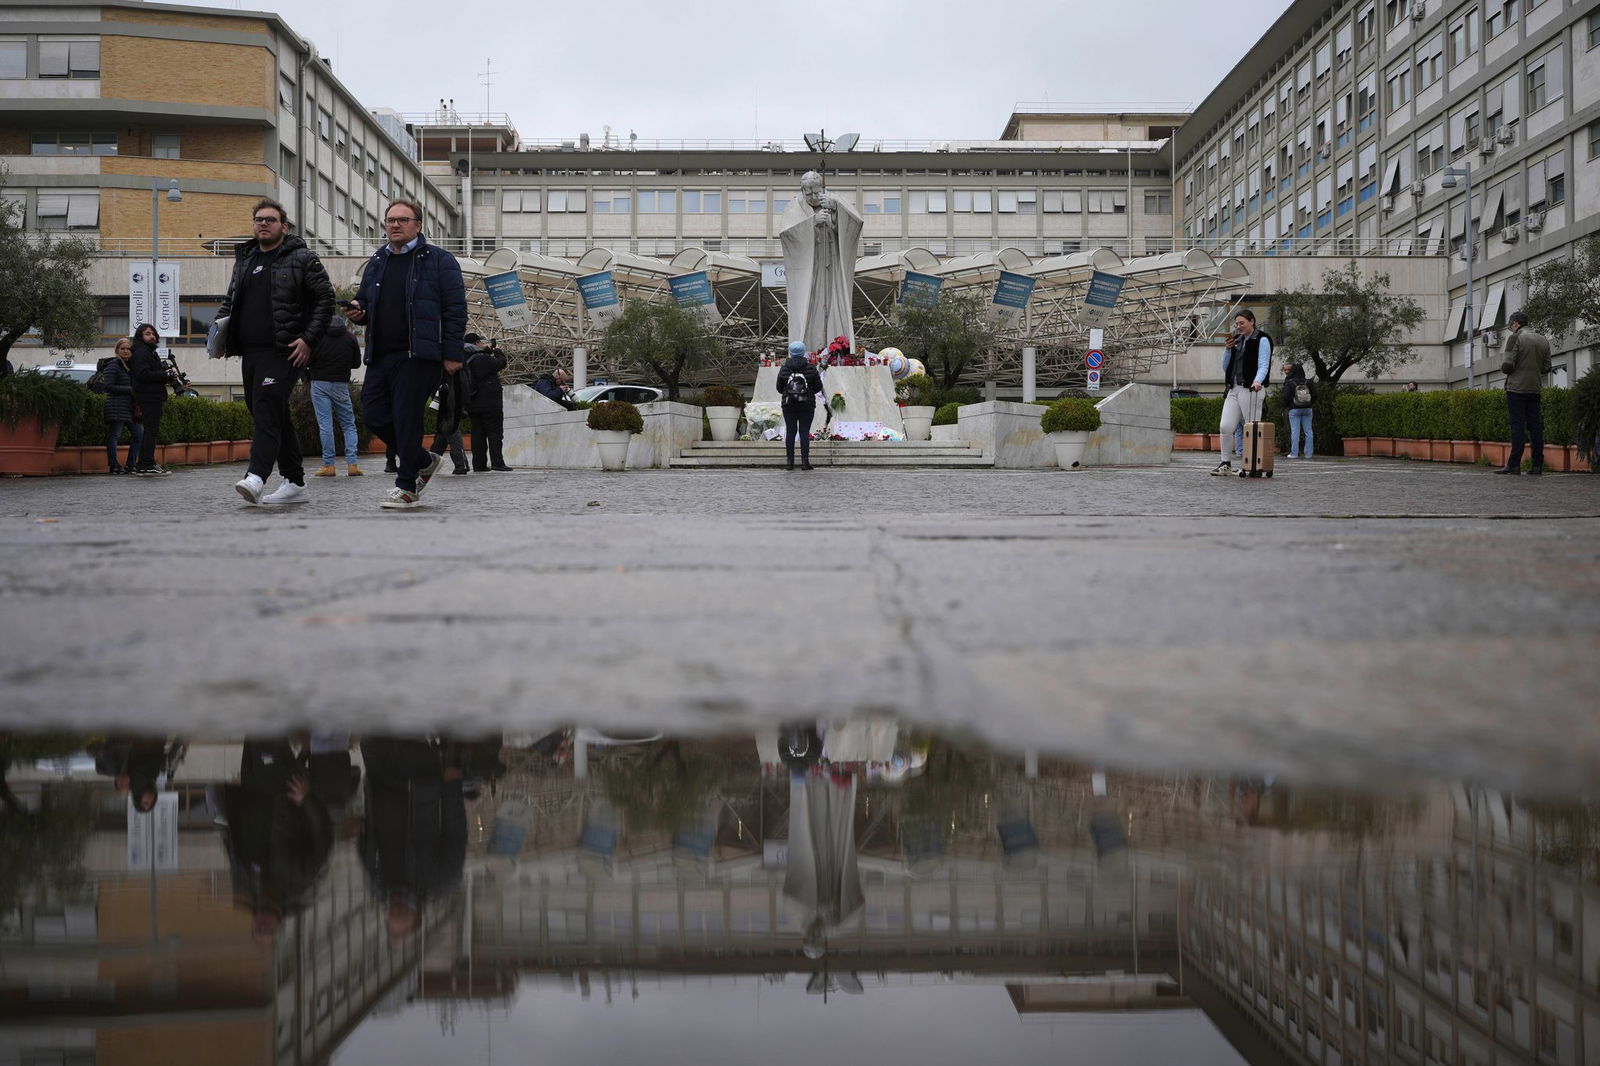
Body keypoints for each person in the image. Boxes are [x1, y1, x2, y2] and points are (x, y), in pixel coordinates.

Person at [345, 198, 467, 510]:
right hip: (380, 354)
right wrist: (359, 312)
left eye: (402, 219)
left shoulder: (439, 260)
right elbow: (365, 301)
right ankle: (423, 459)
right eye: (390, 220)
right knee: (373, 414)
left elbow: (455, 310)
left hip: (419, 354)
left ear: (418, 225)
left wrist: (452, 353)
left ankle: (406, 486)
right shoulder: (378, 260)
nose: (395, 225)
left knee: (406, 418)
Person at [216, 198, 336, 505]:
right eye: (259, 219)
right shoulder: (245, 259)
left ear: (284, 226)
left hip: (285, 350)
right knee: (269, 413)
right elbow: (231, 302)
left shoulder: (303, 258)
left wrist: (309, 339)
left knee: (268, 405)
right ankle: (295, 482)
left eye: (270, 219)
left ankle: (256, 476)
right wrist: (218, 337)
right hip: (251, 351)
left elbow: (326, 300)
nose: (263, 224)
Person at [358, 737, 466, 940]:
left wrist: (359, 832)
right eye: (403, 912)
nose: (396, 908)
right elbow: (455, 832)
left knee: (371, 726)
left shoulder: (379, 887)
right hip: (419, 784)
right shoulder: (440, 882)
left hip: (379, 783)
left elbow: (367, 852)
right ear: (416, 913)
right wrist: (452, 787)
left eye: (392, 914)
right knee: (406, 726)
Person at [779, 171, 863, 353]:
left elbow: (856, 223)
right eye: (808, 194)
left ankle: (839, 346)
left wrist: (836, 209)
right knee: (811, 305)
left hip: (833, 265)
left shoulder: (835, 199)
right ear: (802, 191)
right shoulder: (794, 206)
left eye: (816, 193)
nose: (813, 197)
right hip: (811, 267)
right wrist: (812, 222)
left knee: (835, 302)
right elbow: (786, 234)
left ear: (822, 188)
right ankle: (810, 348)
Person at [1212, 309, 1271, 476]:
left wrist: (1257, 381)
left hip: (1250, 388)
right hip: (1234, 388)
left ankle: (1251, 464)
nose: (1238, 327)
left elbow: (1264, 364)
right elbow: (1225, 367)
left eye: (1242, 323)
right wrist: (1228, 350)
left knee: (1251, 427)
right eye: (1237, 324)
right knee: (1225, 426)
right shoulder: (1236, 341)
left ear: (1252, 321)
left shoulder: (1262, 339)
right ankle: (1225, 463)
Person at [1496, 310, 1553, 476]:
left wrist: (1514, 369)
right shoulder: (1543, 339)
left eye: (1510, 326)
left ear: (1515, 324)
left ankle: (1514, 465)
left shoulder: (1515, 337)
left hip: (1516, 388)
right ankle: (1537, 466)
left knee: (1517, 427)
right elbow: (1547, 367)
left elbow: (1507, 365)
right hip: (1535, 389)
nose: (1510, 329)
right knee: (1536, 427)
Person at [308, 317, 363, 477]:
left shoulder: (318, 336)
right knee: (349, 424)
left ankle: (329, 466)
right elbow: (356, 363)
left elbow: (309, 359)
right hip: (341, 384)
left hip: (319, 383)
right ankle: (352, 465)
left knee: (325, 425)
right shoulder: (350, 337)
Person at [463, 334, 511, 471]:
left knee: (477, 435)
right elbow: (500, 363)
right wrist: (498, 351)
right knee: (495, 433)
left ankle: (479, 465)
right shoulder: (482, 359)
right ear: (476, 343)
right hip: (490, 404)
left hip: (472, 402)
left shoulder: (465, 357)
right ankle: (497, 462)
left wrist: (487, 350)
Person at [128, 323, 170, 476]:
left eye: (153, 333)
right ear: (140, 336)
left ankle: (147, 463)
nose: (152, 336)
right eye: (147, 333)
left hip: (153, 395)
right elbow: (143, 374)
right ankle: (146, 464)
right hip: (148, 396)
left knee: (151, 431)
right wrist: (164, 375)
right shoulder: (142, 352)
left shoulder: (149, 352)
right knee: (150, 431)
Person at [776, 340, 824, 470]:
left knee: (790, 431)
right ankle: (805, 462)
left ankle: (790, 462)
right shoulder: (811, 368)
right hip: (807, 404)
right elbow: (818, 386)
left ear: (790, 353)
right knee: (804, 432)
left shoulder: (784, 368)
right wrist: (808, 392)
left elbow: (779, 388)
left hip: (788, 404)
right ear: (803, 353)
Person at [102, 337, 143, 474]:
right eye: (123, 349)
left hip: (129, 408)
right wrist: (130, 390)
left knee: (139, 434)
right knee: (114, 436)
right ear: (117, 350)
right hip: (117, 406)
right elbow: (107, 387)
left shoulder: (130, 366)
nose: (126, 351)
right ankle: (113, 465)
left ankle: (131, 465)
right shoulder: (113, 365)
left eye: (128, 349)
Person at [1281, 359, 1314, 459]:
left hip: (1294, 409)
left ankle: (1294, 453)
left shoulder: (1290, 382)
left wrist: (1287, 406)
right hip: (1308, 409)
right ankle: (1308, 454)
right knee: (1309, 431)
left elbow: (1285, 397)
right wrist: (1309, 403)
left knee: (1295, 431)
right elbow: (1315, 395)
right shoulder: (1308, 382)